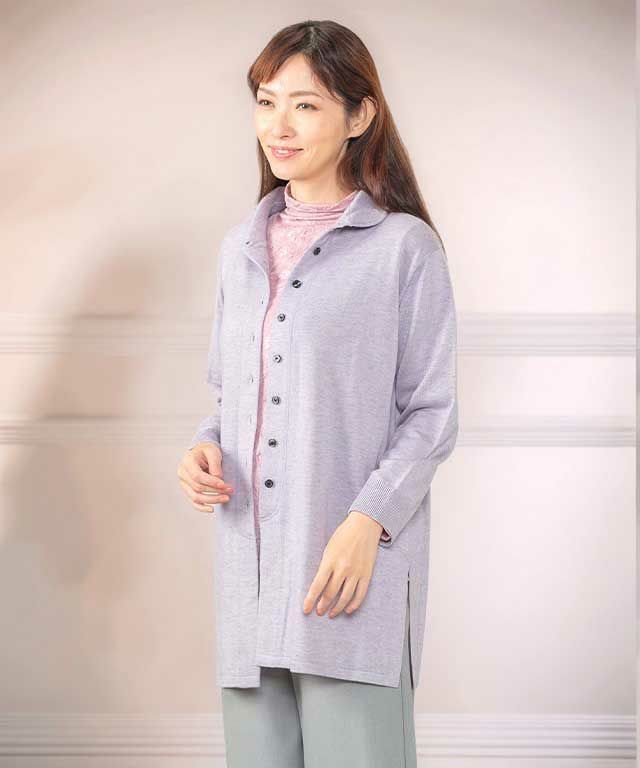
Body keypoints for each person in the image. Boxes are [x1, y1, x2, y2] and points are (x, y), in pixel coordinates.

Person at [177, 19, 459, 768]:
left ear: (359, 115)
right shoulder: (239, 248)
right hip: (249, 576)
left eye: (305, 105)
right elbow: (229, 391)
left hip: (348, 576)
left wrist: (369, 520)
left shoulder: (404, 248)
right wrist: (204, 447)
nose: (279, 126)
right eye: (266, 102)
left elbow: (431, 413)